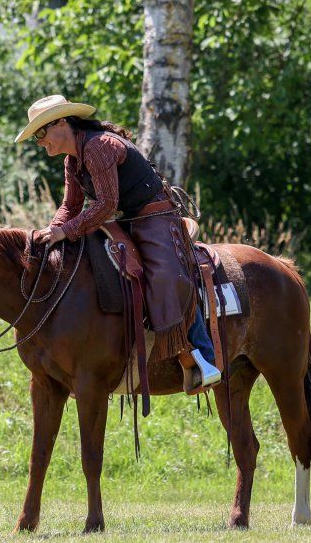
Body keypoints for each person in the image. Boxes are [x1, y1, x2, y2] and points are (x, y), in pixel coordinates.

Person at [14, 94, 220, 391]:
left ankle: (203, 356)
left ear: (61, 123)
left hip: (155, 215)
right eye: (36, 136)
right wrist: (54, 229)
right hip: (124, 221)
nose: (40, 141)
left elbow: (107, 204)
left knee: (165, 277)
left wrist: (66, 231)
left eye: (41, 133)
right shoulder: (73, 160)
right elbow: (70, 206)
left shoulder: (98, 148)